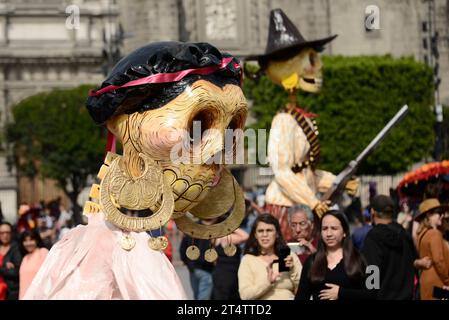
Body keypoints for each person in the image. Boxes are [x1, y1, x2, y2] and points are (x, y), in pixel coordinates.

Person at [23, 41, 246, 299]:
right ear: (124, 126)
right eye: (197, 124)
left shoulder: (83, 244)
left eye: (231, 128)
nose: (218, 148)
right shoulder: (125, 247)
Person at [246, 9, 358, 241]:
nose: (316, 67)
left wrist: (336, 181)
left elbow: (305, 171)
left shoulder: (300, 118)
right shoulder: (283, 120)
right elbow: (283, 172)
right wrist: (313, 201)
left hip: (302, 206)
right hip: (288, 208)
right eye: (311, 59)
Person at [362, 195, 432, 300]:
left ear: (372, 212)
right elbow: (411, 262)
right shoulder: (404, 233)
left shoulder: (373, 237)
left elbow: (372, 275)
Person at [295, 211, 374, 300]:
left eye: (334, 228)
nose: (329, 234)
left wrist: (341, 292)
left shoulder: (362, 259)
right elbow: (301, 296)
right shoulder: (311, 261)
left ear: (344, 232)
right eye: (325, 229)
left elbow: (374, 293)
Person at [238, 214, 302, 300]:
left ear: (277, 234)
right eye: (260, 231)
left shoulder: (287, 256)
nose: (265, 234)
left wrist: (292, 270)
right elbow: (245, 295)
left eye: (269, 230)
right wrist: (268, 282)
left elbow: (303, 290)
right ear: (255, 235)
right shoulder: (248, 260)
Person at [414, 198, 449, 300]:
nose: (442, 216)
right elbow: (439, 261)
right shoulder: (434, 234)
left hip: (427, 282)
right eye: (438, 213)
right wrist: (447, 280)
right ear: (429, 215)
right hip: (438, 282)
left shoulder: (422, 234)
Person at [18, 229, 48, 299]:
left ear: (37, 240)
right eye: (25, 241)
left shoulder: (43, 252)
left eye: (31, 240)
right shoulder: (25, 257)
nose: (28, 243)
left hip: (40, 296)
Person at [0, 222, 22, 300]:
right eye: (2, 233)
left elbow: (16, 272)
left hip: (11, 292)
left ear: (12, 233)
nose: (5, 235)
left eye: (7, 232)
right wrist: (5, 267)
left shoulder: (17, 249)